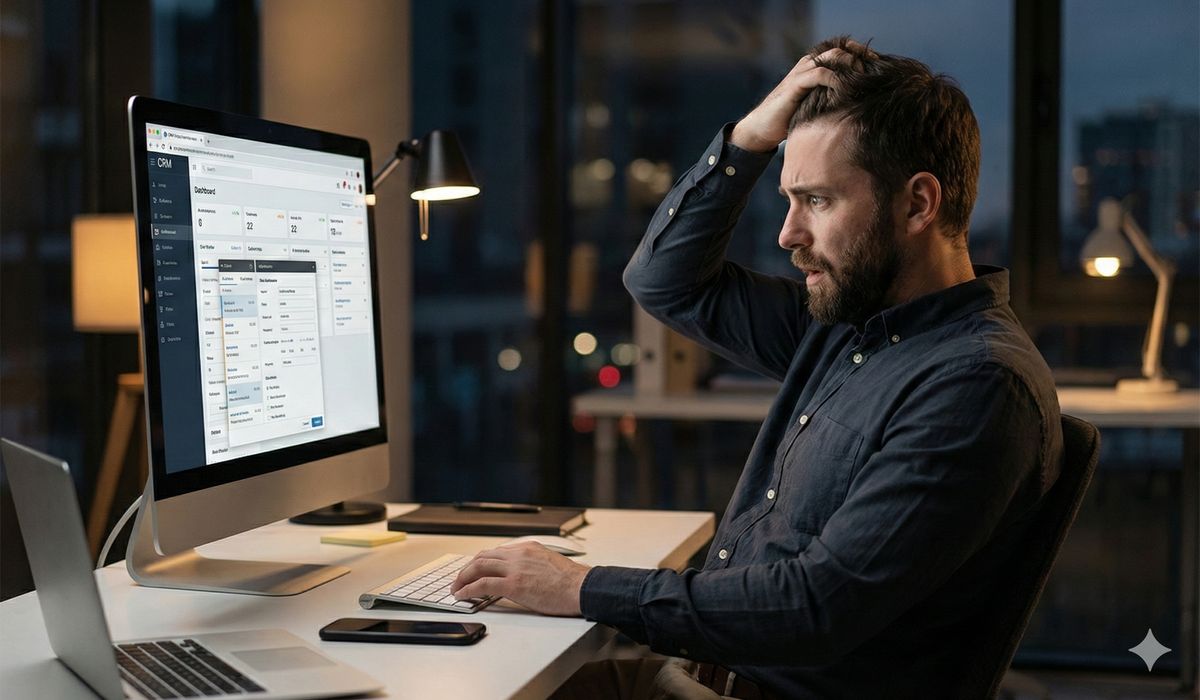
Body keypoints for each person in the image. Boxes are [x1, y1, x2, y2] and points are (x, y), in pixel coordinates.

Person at [451, 36, 1063, 699]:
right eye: (789, 200)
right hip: (702, 677)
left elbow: (814, 608)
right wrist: (748, 139)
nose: (787, 233)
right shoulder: (847, 329)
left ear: (918, 204)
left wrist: (580, 588)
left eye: (817, 200)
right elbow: (663, 281)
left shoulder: (975, 385)